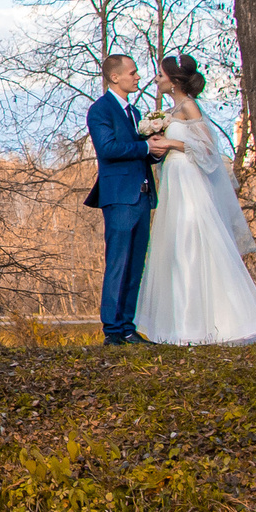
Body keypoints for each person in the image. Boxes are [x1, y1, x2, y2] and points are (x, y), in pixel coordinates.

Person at [131, 54, 256, 346]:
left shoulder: (189, 106)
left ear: (174, 81)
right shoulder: (171, 111)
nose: (156, 80)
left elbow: (208, 147)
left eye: (160, 75)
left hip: (188, 179)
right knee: (174, 245)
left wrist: (170, 142)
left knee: (192, 239)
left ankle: (216, 324)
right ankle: (179, 326)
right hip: (174, 179)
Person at [85, 55, 173, 345]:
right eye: (132, 73)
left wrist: (155, 151)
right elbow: (108, 148)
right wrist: (145, 146)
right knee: (118, 263)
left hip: (143, 195)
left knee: (135, 265)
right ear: (115, 77)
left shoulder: (134, 112)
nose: (137, 77)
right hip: (120, 196)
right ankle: (112, 330)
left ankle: (127, 327)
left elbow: (139, 151)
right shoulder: (101, 110)